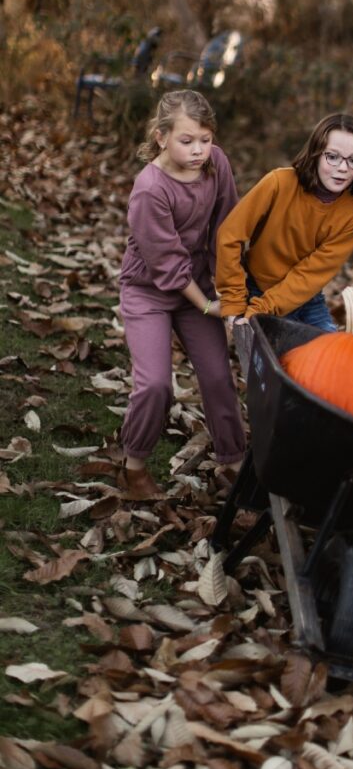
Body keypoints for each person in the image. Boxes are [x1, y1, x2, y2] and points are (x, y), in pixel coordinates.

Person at [118, 90, 245, 500]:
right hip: (149, 290)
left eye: (205, 140)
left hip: (199, 283)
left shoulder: (215, 164)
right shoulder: (149, 190)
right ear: (161, 137)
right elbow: (168, 264)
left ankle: (233, 459)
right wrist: (209, 306)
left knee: (217, 376)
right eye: (186, 141)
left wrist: (229, 286)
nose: (198, 150)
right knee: (155, 384)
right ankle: (133, 466)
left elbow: (228, 224)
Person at [216, 113, 353, 333]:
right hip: (258, 291)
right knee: (272, 361)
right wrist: (234, 302)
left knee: (330, 357)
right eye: (333, 156)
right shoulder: (279, 183)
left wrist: (263, 308)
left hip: (307, 299)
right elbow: (230, 235)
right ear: (316, 154)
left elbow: (309, 275)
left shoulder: (352, 215)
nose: (343, 168)